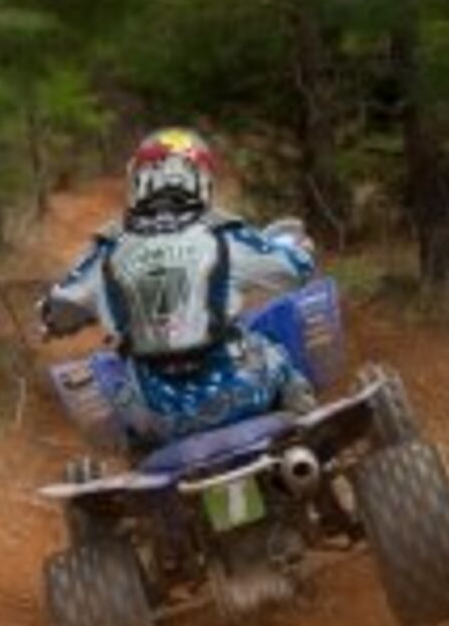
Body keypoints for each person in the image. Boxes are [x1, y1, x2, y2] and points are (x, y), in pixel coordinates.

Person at [39, 128, 317, 447]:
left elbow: (57, 309)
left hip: (157, 419)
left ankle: (139, 465)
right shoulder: (223, 234)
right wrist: (299, 250)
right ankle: (307, 437)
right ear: (201, 179)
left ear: (139, 180)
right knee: (273, 349)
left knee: (116, 384)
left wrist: (54, 318)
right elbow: (295, 269)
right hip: (243, 392)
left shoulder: (107, 250)